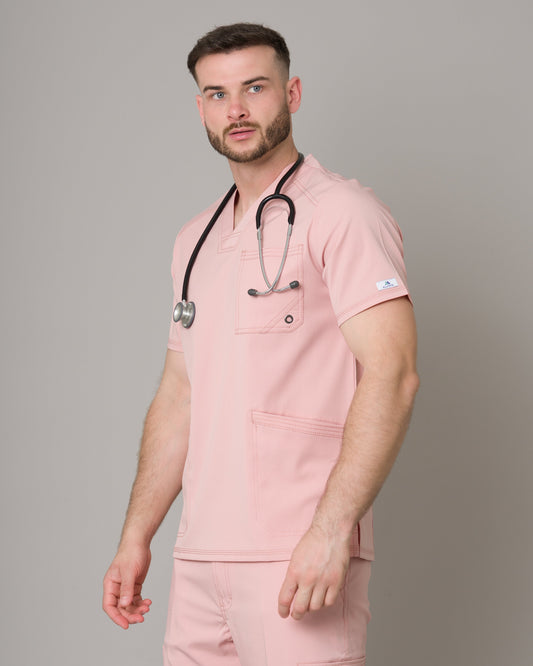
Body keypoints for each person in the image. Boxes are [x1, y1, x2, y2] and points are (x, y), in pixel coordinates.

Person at [103, 22, 419, 666]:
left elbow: (393, 374)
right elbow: (179, 396)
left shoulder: (342, 214)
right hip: (200, 558)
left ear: (292, 93)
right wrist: (137, 535)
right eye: (217, 94)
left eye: (255, 87)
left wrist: (330, 532)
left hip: (295, 551)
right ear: (200, 108)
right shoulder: (194, 241)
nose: (237, 110)